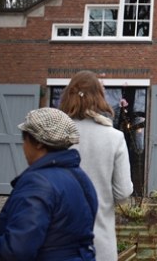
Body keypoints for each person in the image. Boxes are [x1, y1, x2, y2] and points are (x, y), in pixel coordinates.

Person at [0, 108, 98, 260]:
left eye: (24, 139)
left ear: (38, 142)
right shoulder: (80, 178)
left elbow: (16, 252)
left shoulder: (37, 183)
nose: (23, 147)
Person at [59, 71, 133, 261]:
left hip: (59, 241)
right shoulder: (114, 138)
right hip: (99, 240)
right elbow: (123, 191)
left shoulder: (56, 137)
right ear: (99, 97)